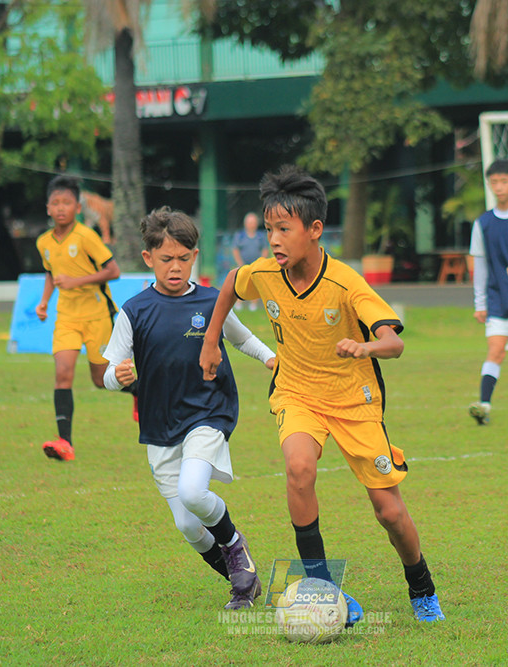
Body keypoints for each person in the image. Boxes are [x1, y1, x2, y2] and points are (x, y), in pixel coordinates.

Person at [199, 164, 445, 623]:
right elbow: (231, 283)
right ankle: (322, 587)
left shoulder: (345, 283)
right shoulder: (268, 272)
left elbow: (394, 342)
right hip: (297, 393)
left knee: (388, 511)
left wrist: (364, 345)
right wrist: (212, 341)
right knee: (298, 468)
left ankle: (422, 587)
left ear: (314, 230)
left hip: (355, 401)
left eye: (284, 229)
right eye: (269, 228)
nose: (273, 239)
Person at [102, 206, 275, 610]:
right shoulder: (134, 311)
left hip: (207, 414)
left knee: (194, 492)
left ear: (194, 256)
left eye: (183, 258)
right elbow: (109, 371)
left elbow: (243, 338)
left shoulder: (212, 301)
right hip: (160, 424)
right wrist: (119, 377)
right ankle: (243, 579)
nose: (175, 267)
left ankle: (235, 548)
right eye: (166, 260)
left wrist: (271, 360)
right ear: (149, 259)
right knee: (187, 524)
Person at [35, 174, 121, 461]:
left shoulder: (87, 236)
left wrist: (77, 281)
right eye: (55, 203)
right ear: (47, 208)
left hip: (96, 316)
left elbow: (113, 270)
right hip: (67, 318)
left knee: (101, 379)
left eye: (67, 203)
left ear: (78, 208)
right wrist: (44, 302)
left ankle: (138, 391)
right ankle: (65, 443)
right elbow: (50, 272)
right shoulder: (44, 242)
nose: (60, 208)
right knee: (63, 374)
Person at [467, 160, 508, 425]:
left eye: (504, 181)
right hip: (498, 300)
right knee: (496, 350)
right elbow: (480, 266)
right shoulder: (483, 223)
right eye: (494, 182)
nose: (499, 187)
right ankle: (484, 406)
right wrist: (480, 303)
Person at [230, 212, 269, 310]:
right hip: (242, 264)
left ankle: (254, 304)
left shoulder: (261, 236)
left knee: (255, 283)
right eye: (249, 222)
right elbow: (235, 249)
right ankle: (238, 303)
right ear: (245, 224)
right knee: (240, 282)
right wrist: (240, 262)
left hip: (256, 265)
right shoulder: (240, 236)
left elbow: (265, 249)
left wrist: (261, 262)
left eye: (253, 222)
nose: (251, 224)